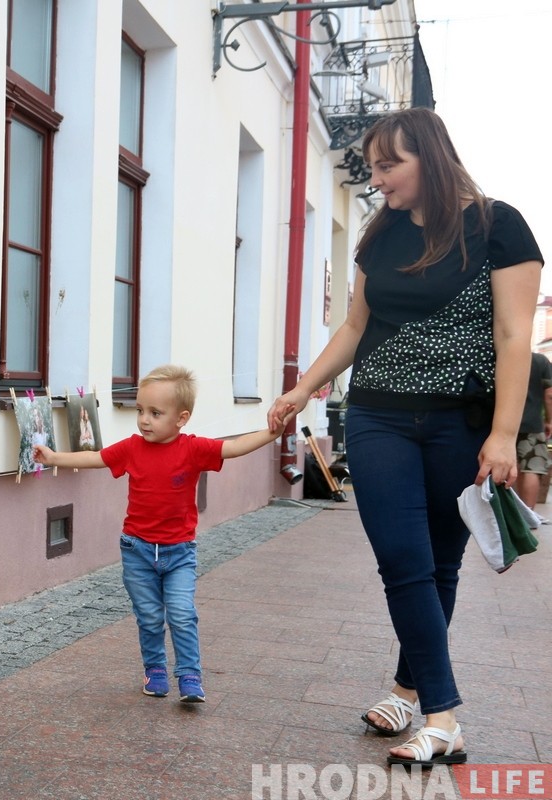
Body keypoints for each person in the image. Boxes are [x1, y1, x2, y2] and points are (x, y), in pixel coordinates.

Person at [268, 108, 543, 767]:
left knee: (439, 565)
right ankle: (443, 716)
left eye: (391, 165)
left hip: (462, 422)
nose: (379, 178)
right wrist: (304, 388)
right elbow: (355, 329)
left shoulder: (499, 227)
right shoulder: (379, 236)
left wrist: (504, 434)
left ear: (431, 158)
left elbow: (513, 337)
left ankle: (404, 690)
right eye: (375, 166)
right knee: (401, 558)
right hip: (379, 415)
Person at [35, 364, 282, 703]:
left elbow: (234, 448)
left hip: (179, 552)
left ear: (181, 418)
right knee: (150, 617)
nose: (144, 420)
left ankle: (190, 676)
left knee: (181, 614)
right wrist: (53, 457)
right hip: (136, 550)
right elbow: (96, 458)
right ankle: (155, 669)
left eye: (155, 413)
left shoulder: (193, 449)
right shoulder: (132, 448)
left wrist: (271, 434)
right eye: (140, 411)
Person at [516, 351, 552, 509]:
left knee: (508, 466)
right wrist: (549, 420)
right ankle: (528, 516)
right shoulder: (539, 361)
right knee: (532, 466)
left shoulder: (499, 356)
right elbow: (550, 394)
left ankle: (509, 514)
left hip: (501, 422)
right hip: (532, 423)